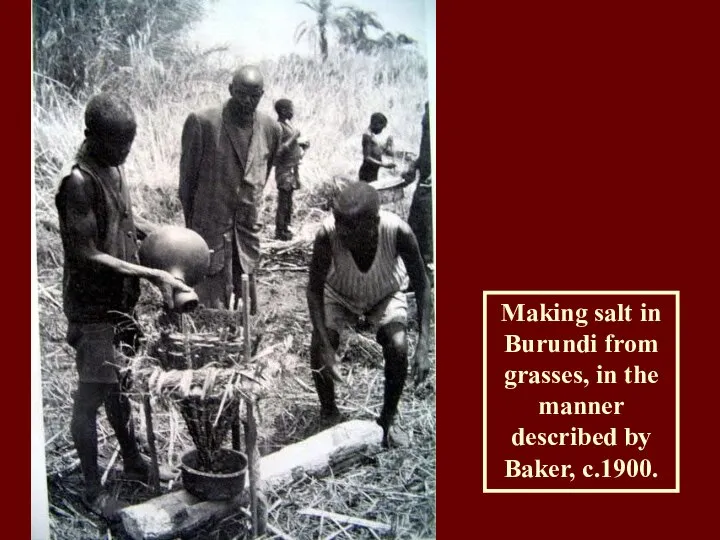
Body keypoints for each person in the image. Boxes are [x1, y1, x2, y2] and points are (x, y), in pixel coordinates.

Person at [55, 93, 193, 520]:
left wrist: (167, 236)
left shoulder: (113, 166)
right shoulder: (78, 182)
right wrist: (152, 275)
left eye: (130, 143)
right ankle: (92, 489)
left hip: (120, 302)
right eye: (118, 144)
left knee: (122, 385)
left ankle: (133, 459)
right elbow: (86, 253)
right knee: (91, 396)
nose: (125, 152)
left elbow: (125, 225)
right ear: (91, 136)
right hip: (93, 307)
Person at [307, 182, 432, 448]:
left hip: (384, 294)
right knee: (319, 345)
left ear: (374, 222)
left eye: (351, 229)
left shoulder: (399, 232)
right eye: (339, 224)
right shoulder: (327, 236)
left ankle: (389, 417)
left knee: (398, 346)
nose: (343, 234)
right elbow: (314, 291)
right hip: (338, 294)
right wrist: (326, 347)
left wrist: (424, 345)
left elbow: (422, 285)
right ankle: (329, 412)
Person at [179, 65, 281, 312]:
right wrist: (194, 234)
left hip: (246, 234)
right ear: (230, 90)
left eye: (254, 96)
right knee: (210, 311)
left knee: (247, 310)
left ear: (262, 94)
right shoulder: (203, 122)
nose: (247, 101)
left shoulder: (271, 129)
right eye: (241, 93)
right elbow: (186, 184)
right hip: (210, 234)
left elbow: (261, 178)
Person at [402, 101, 433, 276]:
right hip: (425, 183)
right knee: (414, 228)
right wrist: (415, 165)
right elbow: (428, 148)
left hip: (430, 186)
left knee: (427, 232)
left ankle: (428, 275)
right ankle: (419, 277)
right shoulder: (429, 112)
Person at [273, 98, 310, 241]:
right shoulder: (279, 127)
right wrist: (294, 136)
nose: (293, 112)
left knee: (288, 201)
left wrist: (301, 144)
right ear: (283, 111)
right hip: (284, 171)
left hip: (292, 170)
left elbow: (290, 146)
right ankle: (280, 231)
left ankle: (286, 228)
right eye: (291, 109)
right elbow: (280, 150)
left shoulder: (287, 126)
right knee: (283, 201)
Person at [358, 112, 396, 182]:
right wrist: (384, 165)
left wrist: (388, 144)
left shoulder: (371, 136)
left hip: (372, 171)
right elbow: (367, 157)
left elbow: (377, 151)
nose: (381, 130)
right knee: (369, 192)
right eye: (381, 127)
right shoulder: (367, 136)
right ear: (375, 124)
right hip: (367, 172)